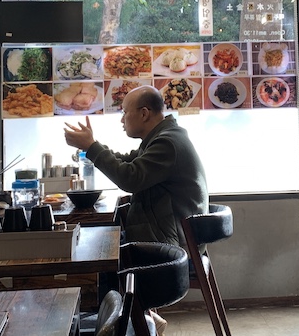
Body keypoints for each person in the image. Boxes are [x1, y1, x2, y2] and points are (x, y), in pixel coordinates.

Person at [63, 85, 208, 248]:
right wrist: (90, 145)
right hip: (165, 237)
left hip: (171, 248)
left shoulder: (167, 143)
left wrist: (91, 147)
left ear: (144, 114)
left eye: (124, 112)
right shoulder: (163, 137)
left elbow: (130, 178)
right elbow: (127, 162)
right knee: (98, 245)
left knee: (93, 252)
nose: (121, 119)